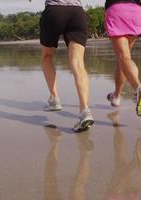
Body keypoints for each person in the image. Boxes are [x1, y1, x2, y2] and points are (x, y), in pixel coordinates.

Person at [38, 0, 94, 132]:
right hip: (77, 13)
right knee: (78, 62)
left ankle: (54, 98)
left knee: (47, 56)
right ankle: (85, 109)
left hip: (54, 10)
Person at [105, 0, 141, 116]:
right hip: (135, 12)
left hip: (117, 10)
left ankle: (138, 87)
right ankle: (116, 96)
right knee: (123, 59)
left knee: (123, 57)